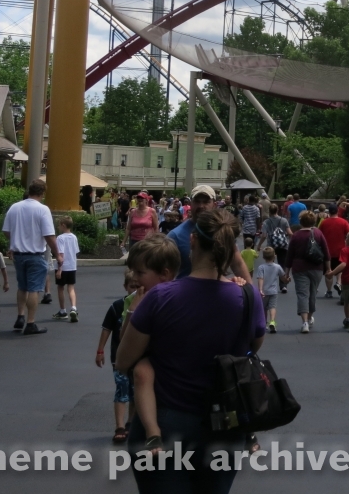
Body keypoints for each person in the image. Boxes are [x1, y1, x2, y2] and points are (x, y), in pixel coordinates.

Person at [116, 210, 265, 493]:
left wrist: (134, 311)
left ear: (193, 240)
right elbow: (253, 346)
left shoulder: (160, 297)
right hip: (225, 422)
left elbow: (123, 360)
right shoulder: (247, 297)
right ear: (230, 247)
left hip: (166, 417)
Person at [118, 235, 182, 459]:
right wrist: (133, 311)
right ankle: (152, 431)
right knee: (141, 372)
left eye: (140, 273)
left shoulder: (173, 296)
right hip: (148, 359)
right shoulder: (138, 297)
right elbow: (123, 345)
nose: (134, 279)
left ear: (164, 274)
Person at [2, 179, 61, 335]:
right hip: (35, 254)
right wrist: (58, 254)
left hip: (19, 254)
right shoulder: (42, 209)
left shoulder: (14, 207)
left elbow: (6, 231)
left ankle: (20, 316)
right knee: (34, 289)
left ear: (29, 190)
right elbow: (49, 235)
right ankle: (31, 322)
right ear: (42, 193)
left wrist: (16, 239)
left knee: (22, 286)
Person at [166, 184, 252, 283]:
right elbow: (164, 271)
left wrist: (253, 294)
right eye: (197, 201)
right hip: (186, 294)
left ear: (214, 204)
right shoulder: (175, 236)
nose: (201, 206)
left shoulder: (222, 231)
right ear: (191, 204)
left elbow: (237, 263)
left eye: (206, 202)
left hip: (217, 293)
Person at [97, 270, 142, 444]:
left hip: (137, 358)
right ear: (125, 287)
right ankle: (119, 426)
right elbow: (106, 329)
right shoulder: (117, 306)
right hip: (119, 359)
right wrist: (100, 350)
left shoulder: (144, 305)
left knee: (135, 393)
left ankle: (131, 423)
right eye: (132, 287)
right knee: (121, 391)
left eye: (138, 287)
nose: (135, 290)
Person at [282, 211, 329, 334]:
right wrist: (328, 269)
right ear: (314, 221)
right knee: (312, 293)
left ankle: (304, 323)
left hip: (299, 268)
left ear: (301, 222)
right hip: (316, 268)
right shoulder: (318, 233)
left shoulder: (296, 236)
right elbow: (326, 252)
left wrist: (286, 273)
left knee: (302, 294)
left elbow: (289, 256)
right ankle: (309, 317)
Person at [319, 203, 349, 298]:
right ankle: (339, 283)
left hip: (327, 251)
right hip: (340, 250)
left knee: (328, 271)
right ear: (337, 211)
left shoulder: (324, 222)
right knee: (340, 269)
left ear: (329, 212)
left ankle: (329, 291)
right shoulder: (344, 222)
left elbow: (319, 235)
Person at [53, 216, 81, 322]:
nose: (58, 227)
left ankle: (62, 310)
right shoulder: (74, 237)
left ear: (63, 226)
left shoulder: (60, 238)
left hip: (63, 266)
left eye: (59, 225)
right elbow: (75, 252)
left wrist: (59, 269)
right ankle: (73, 307)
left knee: (60, 288)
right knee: (71, 288)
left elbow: (61, 254)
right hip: (72, 266)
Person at [260, 203, 291, 293]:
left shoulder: (266, 222)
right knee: (282, 264)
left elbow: (264, 235)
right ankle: (283, 285)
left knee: (270, 265)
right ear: (278, 210)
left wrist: (259, 245)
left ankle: (269, 285)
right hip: (283, 245)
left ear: (269, 211)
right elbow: (290, 233)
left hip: (271, 245)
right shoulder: (284, 220)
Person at [255, 245, 282, 333]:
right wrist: (287, 279)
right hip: (273, 291)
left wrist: (260, 289)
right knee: (272, 307)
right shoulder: (277, 267)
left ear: (263, 257)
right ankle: (272, 322)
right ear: (274, 256)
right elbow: (283, 276)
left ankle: (264, 323)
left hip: (264, 291)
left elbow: (260, 278)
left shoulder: (261, 267)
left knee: (263, 308)